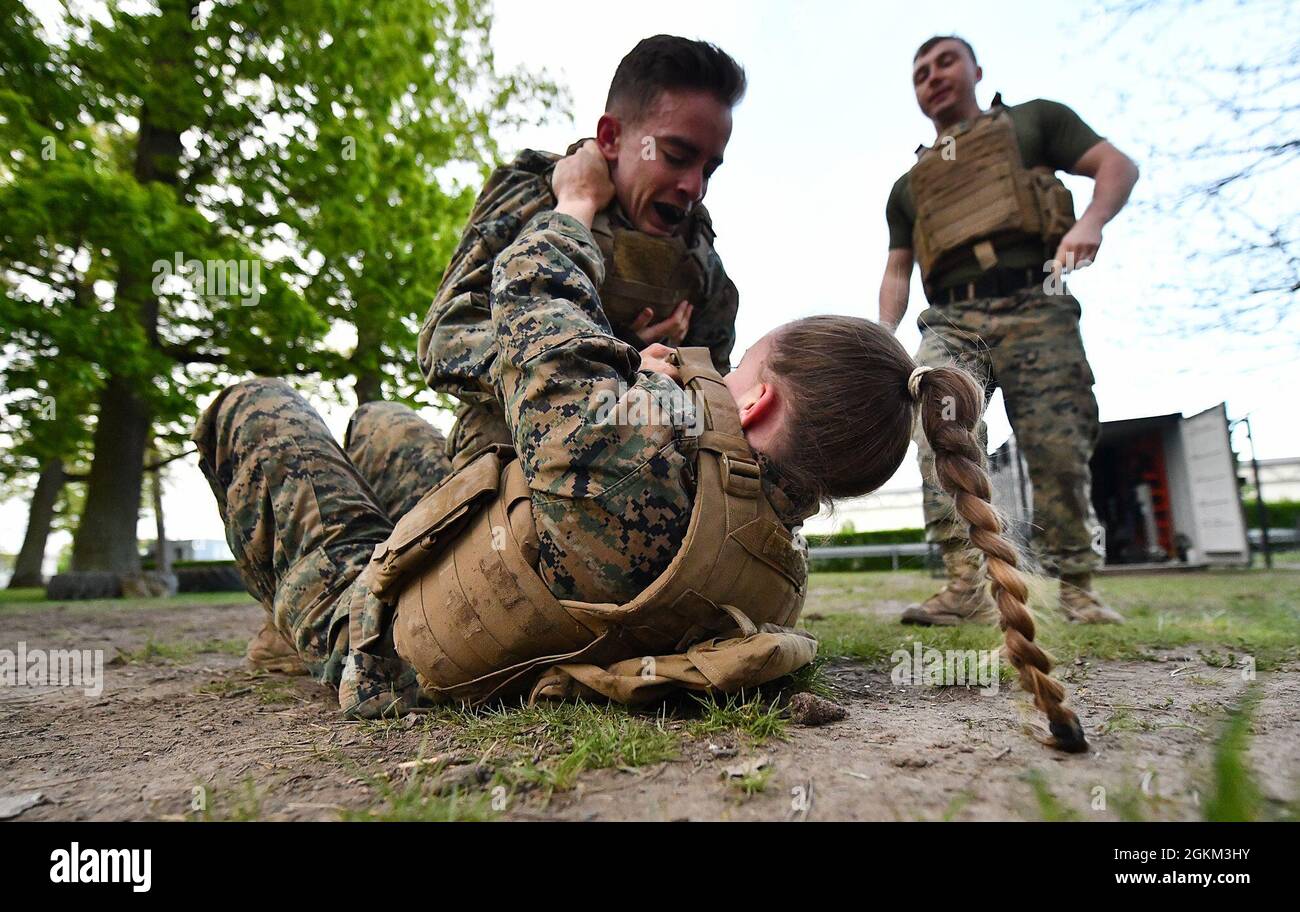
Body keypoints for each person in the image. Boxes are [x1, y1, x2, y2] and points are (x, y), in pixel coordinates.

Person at [194, 141, 1089, 753]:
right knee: (381, 425)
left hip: (382, 643)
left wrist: (577, 205)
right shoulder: (780, 569)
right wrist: (644, 373)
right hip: (521, 575)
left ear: (762, 397)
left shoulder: (634, 458)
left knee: (254, 406)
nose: (713, 384)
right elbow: (653, 459)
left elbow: (530, 302)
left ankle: (299, 619)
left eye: (736, 374)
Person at [877, 35, 1140, 626]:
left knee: (1057, 444)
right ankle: (965, 584)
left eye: (946, 61)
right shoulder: (909, 185)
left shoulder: (1034, 121)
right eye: (920, 71)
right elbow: (897, 268)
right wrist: (882, 333)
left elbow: (1116, 165)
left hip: (1035, 303)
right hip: (951, 318)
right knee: (937, 430)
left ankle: (1076, 586)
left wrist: (1091, 223)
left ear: (976, 68)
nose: (933, 76)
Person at [420, 34, 745, 469]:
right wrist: (619, 362)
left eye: (709, 168)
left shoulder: (701, 267)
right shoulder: (539, 196)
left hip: (628, 481)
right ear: (610, 137)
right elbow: (445, 339)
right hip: (502, 464)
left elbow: (713, 408)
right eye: (675, 155)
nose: (695, 187)